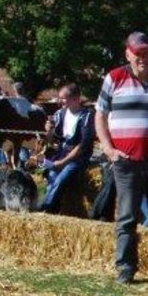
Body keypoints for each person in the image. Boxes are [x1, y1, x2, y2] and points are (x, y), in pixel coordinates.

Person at [95, 31, 148, 286]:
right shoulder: (114, 78)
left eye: (146, 52)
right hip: (126, 161)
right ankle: (126, 268)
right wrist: (109, 150)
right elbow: (100, 115)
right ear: (128, 54)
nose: (142, 57)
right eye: (137, 53)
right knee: (127, 217)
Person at [33, 83, 95, 214]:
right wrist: (49, 132)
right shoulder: (60, 114)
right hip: (61, 152)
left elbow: (83, 145)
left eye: (63, 98)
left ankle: (45, 208)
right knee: (51, 175)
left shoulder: (87, 116)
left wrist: (63, 162)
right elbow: (53, 141)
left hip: (78, 156)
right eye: (59, 97)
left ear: (75, 99)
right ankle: (53, 211)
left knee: (62, 177)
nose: (59, 101)